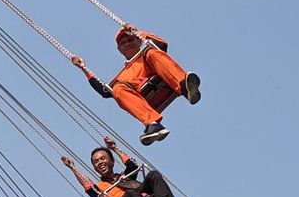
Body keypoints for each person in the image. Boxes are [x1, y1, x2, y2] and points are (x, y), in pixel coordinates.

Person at [71, 23, 201, 146]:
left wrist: (138, 32)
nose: (127, 44)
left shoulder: (147, 54)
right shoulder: (123, 75)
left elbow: (161, 45)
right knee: (117, 88)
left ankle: (185, 87)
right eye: (123, 43)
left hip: (159, 75)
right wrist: (83, 68)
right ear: (119, 49)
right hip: (142, 96)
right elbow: (104, 92)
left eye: (130, 40)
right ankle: (152, 124)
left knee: (152, 52)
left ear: (138, 41)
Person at [62, 136, 185, 197]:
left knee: (153, 174)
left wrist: (114, 148)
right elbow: (87, 185)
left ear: (112, 161)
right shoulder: (99, 187)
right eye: (96, 162)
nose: (100, 162)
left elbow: (132, 165)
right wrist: (73, 168)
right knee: (130, 194)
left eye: (102, 158)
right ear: (94, 167)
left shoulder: (124, 177)